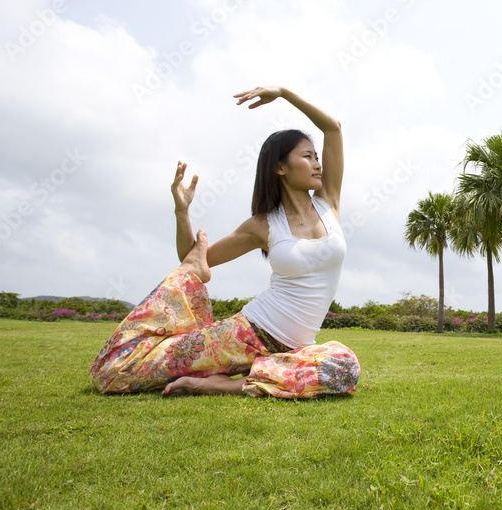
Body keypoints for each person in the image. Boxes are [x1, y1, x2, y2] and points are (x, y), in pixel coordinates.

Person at [90, 86, 359, 399]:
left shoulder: (329, 203)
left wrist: (285, 93)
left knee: (345, 367)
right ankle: (256, 374)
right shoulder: (263, 225)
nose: (317, 164)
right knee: (115, 374)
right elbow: (195, 260)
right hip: (245, 334)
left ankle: (219, 385)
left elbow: (333, 128)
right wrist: (182, 212)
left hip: (297, 349)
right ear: (280, 167)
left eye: (317, 156)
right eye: (307, 157)